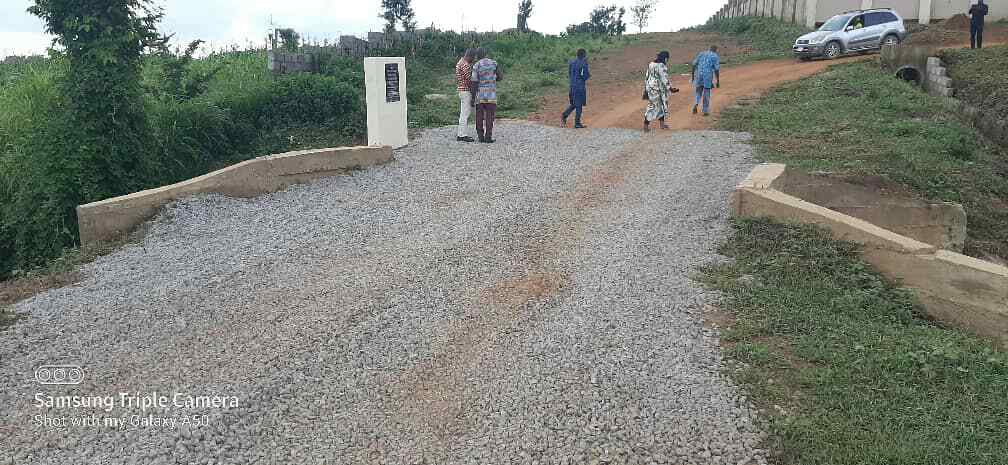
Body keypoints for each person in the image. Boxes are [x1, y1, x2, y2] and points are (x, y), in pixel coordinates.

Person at [470, 47, 503, 143]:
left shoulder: (476, 65)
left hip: (480, 94)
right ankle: (488, 137)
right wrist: (492, 80)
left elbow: (474, 82)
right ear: (486, 54)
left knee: (479, 116)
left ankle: (480, 137)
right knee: (490, 116)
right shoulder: (494, 63)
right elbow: (500, 77)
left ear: (477, 55)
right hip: (491, 94)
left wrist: (472, 98)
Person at [644, 51, 678, 131]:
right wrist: (670, 88)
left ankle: (662, 125)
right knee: (653, 106)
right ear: (665, 58)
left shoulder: (651, 64)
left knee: (660, 106)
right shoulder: (661, 66)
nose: (667, 60)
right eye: (667, 59)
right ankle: (646, 125)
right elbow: (664, 78)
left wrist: (645, 89)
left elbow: (647, 76)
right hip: (658, 88)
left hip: (650, 87)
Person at [562, 48, 591, 129]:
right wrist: (586, 64)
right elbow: (585, 76)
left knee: (574, 103)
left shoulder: (571, 62)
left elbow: (570, 73)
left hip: (572, 86)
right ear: (584, 55)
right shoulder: (583, 64)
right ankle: (577, 123)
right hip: (579, 87)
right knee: (579, 105)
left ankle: (564, 115)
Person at [691, 45, 720, 117]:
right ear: (716, 50)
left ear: (709, 48)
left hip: (698, 75)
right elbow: (716, 69)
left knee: (698, 92)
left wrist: (692, 76)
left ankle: (696, 103)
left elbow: (694, 64)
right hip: (707, 76)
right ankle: (705, 110)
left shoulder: (701, 53)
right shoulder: (715, 56)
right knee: (706, 93)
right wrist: (717, 80)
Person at [455, 49, 477, 142]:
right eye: (473, 58)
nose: (473, 60)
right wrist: (473, 94)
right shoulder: (465, 65)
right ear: (469, 56)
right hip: (465, 91)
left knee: (463, 113)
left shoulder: (460, 62)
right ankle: (462, 135)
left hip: (461, 90)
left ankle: (461, 133)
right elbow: (470, 81)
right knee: (465, 114)